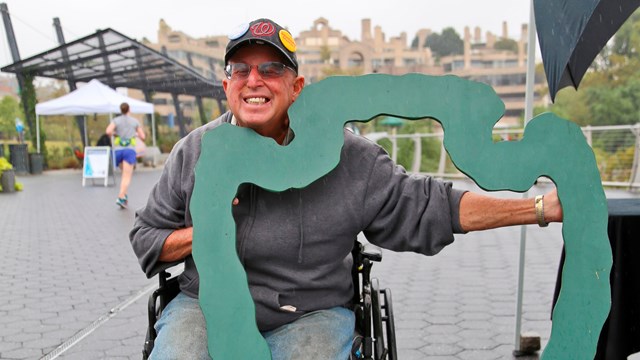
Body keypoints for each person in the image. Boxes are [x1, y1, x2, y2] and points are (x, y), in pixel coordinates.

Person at [130, 18, 563, 360]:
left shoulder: (350, 158)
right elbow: (147, 237)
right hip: (206, 307)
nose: (253, 80)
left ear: (296, 88)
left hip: (309, 313)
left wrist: (538, 207)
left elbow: (430, 207)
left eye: (271, 69)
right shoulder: (195, 151)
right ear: (227, 86)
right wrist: (209, 226)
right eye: (240, 70)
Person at [106, 102, 146, 209]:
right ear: (129, 110)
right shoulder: (134, 121)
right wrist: (135, 134)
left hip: (118, 151)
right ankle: (120, 196)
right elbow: (143, 136)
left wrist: (115, 134)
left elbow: (108, 131)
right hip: (129, 151)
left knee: (124, 173)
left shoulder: (116, 120)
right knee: (126, 176)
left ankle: (124, 195)